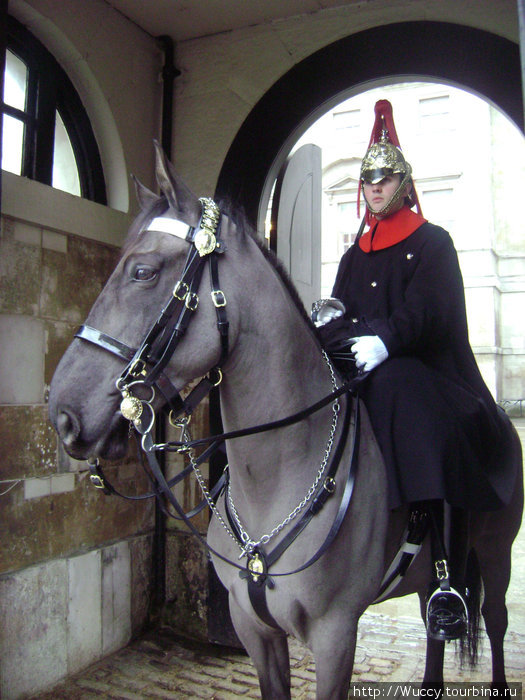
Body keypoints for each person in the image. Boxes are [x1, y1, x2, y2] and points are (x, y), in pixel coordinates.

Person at [314, 99, 516, 641]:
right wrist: (328, 336)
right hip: (365, 367)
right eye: (368, 181)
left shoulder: (433, 242)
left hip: (425, 368)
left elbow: (432, 310)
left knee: (415, 403)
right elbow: (340, 307)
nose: (375, 188)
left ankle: (446, 573)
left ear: (403, 184)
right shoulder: (356, 253)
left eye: (385, 179)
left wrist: (384, 341)